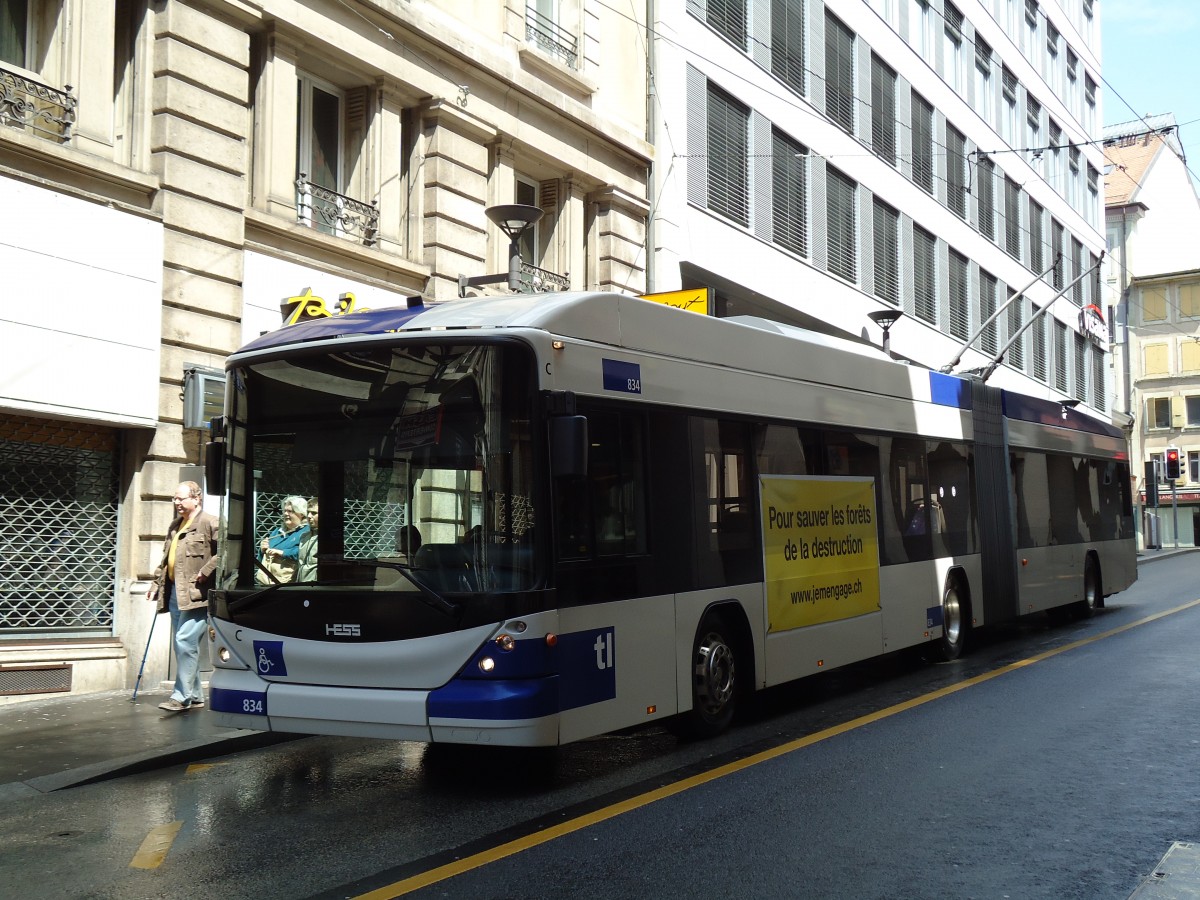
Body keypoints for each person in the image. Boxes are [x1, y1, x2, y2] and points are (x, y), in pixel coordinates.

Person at [148, 481, 218, 713]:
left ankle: (181, 696)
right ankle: (196, 694)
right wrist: (156, 582)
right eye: (174, 499)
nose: (176, 502)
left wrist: (205, 571)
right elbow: (166, 558)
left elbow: (226, 552)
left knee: (185, 642)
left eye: (181, 498)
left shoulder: (210, 522)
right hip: (175, 593)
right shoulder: (176, 525)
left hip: (196, 595)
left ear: (197, 498)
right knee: (183, 647)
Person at [257, 495, 309, 584]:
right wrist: (262, 550)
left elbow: (306, 553)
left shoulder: (306, 532)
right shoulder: (277, 532)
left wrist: (283, 553)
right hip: (266, 581)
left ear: (301, 514)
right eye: (284, 511)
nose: (285, 514)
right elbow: (260, 559)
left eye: (290, 511)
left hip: (289, 583)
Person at [296, 498, 319, 582]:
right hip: (301, 585)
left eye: (314, 513)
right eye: (308, 512)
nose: (309, 516)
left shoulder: (327, 539)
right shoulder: (304, 536)